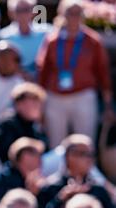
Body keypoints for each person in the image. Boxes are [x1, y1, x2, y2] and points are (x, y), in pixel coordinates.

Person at [37, 0, 113, 148]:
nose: (74, 17)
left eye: (78, 13)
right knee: (56, 144)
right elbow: (43, 71)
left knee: (85, 142)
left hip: (83, 96)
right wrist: (41, 103)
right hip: (55, 97)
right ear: (62, 15)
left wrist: (107, 103)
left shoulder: (92, 40)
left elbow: (102, 72)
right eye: (70, 13)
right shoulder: (52, 40)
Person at [36, 134, 116, 208]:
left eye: (91, 155)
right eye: (83, 154)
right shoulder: (51, 187)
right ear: (68, 156)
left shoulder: (98, 190)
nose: (89, 159)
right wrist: (61, 199)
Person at [0, 137, 46, 208]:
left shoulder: (36, 181)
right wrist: (30, 194)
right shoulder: (1, 181)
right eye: (36, 154)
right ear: (24, 156)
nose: (40, 160)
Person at [0, 82, 48, 163]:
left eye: (37, 102)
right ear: (18, 104)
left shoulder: (35, 125)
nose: (36, 107)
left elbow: (45, 150)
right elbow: (6, 156)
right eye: (32, 103)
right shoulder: (7, 124)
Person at [0, 0, 52, 79]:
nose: (22, 14)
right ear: (11, 13)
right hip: (14, 82)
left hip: (43, 80)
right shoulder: (4, 36)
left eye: (26, 10)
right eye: (18, 11)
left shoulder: (47, 32)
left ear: (34, 12)